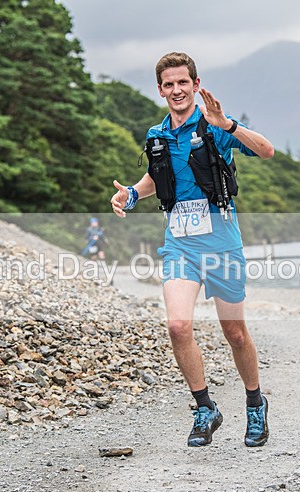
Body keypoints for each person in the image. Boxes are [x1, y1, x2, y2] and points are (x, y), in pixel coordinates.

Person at [110, 52, 275, 447]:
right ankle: (205, 408)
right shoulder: (157, 134)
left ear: (196, 85)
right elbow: (157, 176)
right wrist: (131, 193)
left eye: (183, 82)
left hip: (222, 244)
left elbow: (266, 151)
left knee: (234, 332)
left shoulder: (215, 126)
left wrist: (227, 124)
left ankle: (255, 403)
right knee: (178, 326)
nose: (177, 90)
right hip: (180, 246)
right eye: (169, 84)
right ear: (160, 90)